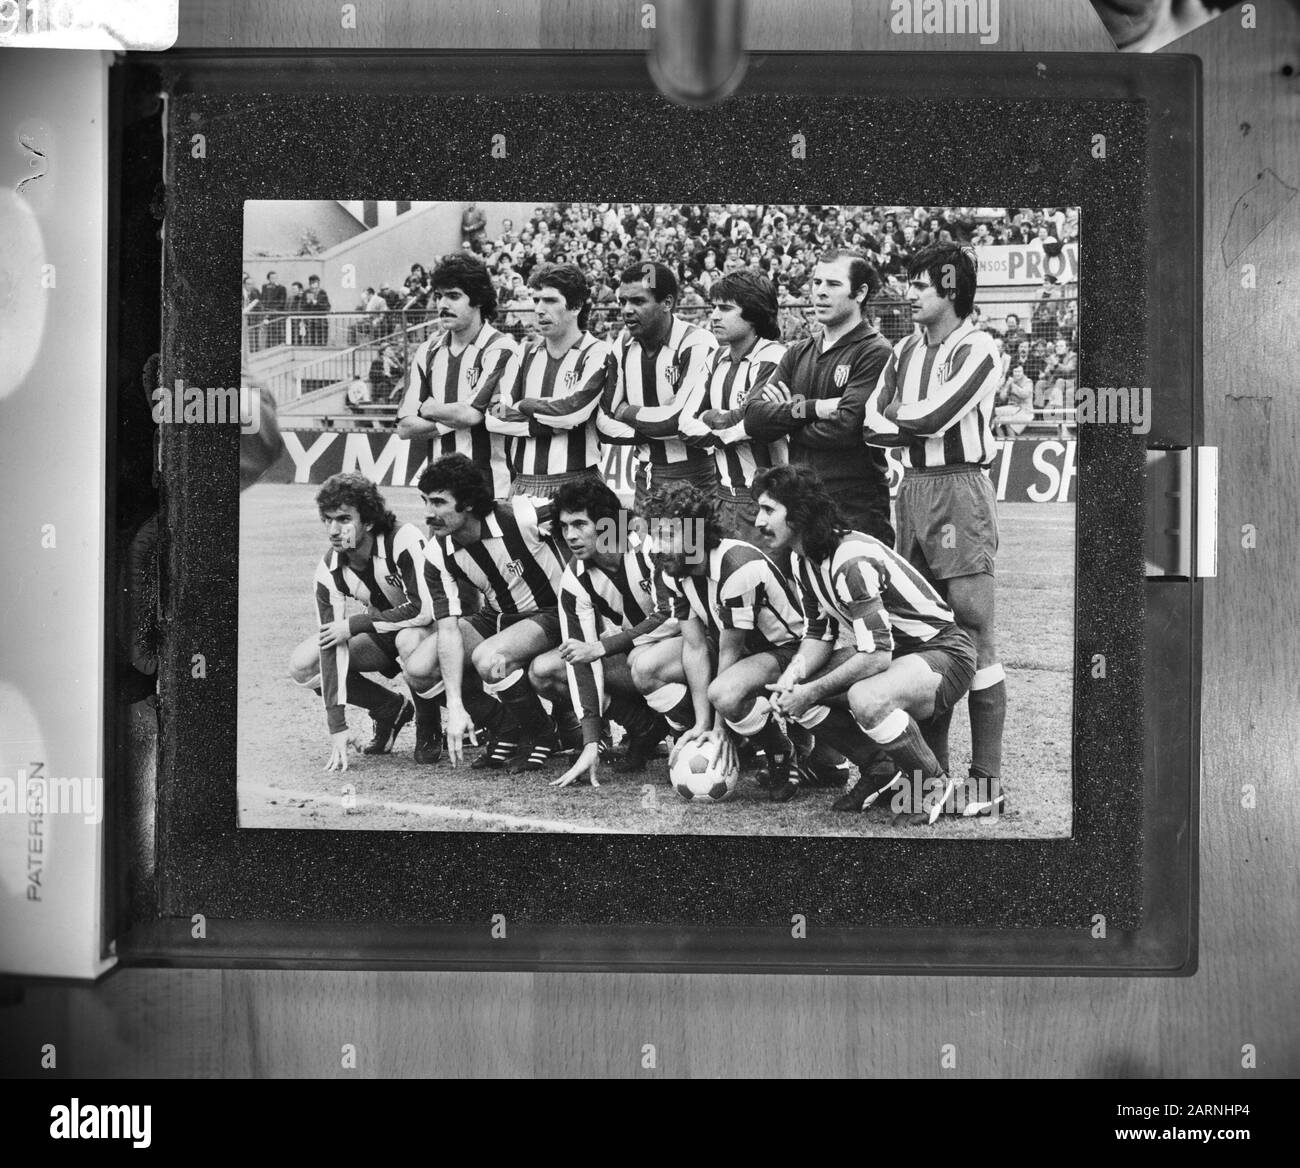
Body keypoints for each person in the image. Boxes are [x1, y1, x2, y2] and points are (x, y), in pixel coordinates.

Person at [755, 466, 986, 821]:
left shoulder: (851, 562)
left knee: (865, 698)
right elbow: (818, 635)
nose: (758, 520)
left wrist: (812, 690)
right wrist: (795, 676)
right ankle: (879, 768)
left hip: (943, 654)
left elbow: (877, 655)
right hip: (902, 656)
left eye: (769, 510)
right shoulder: (804, 561)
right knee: (794, 689)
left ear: (798, 514)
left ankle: (936, 787)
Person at [862, 242, 1007, 804]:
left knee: (973, 629)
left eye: (920, 284)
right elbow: (873, 426)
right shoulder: (903, 351)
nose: (909, 293)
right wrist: (904, 416)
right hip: (913, 491)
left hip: (959, 488)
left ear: (950, 289)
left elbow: (930, 415)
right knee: (923, 630)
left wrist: (903, 413)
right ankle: (932, 776)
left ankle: (988, 782)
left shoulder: (979, 349)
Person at [629, 482, 811, 802]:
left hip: (785, 651)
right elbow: (695, 646)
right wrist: (703, 723)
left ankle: (780, 752)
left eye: (668, 536)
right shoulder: (673, 570)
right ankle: (702, 734)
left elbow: (731, 650)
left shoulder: (736, 567)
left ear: (697, 536)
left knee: (725, 694)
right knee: (646, 668)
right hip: (732, 649)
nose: (657, 547)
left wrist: (720, 727)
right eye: (655, 535)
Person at [403, 454, 579, 771]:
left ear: (468, 502)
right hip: (498, 618)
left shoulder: (524, 515)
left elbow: (605, 514)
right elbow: (448, 631)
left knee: (490, 659)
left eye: (439, 502)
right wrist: (455, 705)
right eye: (425, 501)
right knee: (418, 669)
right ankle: (504, 723)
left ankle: (541, 734)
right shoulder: (436, 552)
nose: (428, 513)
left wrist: (621, 566)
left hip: (554, 613)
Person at [529, 479, 678, 787]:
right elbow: (581, 656)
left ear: (607, 523)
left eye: (580, 524)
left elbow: (676, 617)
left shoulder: (650, 543)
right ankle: (645, 727)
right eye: (565, 525)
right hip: (641, 657)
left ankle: (695, 729)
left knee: (642, 661)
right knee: (547, 669)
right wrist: (590, 741)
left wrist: (606, 645)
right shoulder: (574, 578)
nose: (570, 535)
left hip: (693, 648)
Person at [740, 249, 894, 545]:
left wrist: (787, 419)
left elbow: (846, 427)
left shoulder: (875, 351)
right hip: (802, 506)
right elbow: (755, 419)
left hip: (854, 507)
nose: (820, 292)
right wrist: (814, 409)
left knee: (854, 589)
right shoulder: (798, 351)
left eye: (833, 284)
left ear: (860, 292)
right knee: (805, 590)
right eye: (816, 282)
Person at [286, 474, 436, 772]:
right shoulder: (329, 570)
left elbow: (424, 610)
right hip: (384, 631)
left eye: (343, 519)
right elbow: (330, 646)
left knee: (409, 639)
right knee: (304, 664)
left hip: (431, 630)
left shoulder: (402, 539)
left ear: (367, 521)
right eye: (327, 520)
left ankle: (430, 726)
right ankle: (389, 707)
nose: (333, 530)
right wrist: (337, 725)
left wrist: (355, 624)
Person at [596, 261, 719, 514]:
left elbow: (677, 421)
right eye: (622, 302)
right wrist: (654, 428)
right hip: (645, 474)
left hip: (695, 475)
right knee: (646, 550)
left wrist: (626, 412)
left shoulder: (697, 342)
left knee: (692, 550)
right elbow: (604, 420)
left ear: (667, 303)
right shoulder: (623, 343)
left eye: (638, 301)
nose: (627, 310)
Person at [485, 263, 615, 500]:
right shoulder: (523, 353)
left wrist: (525, 404)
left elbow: (571, 412)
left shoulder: (598, 352)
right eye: (536, 300)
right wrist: (547, 424)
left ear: (575, 306)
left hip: (578, 484)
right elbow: (494, 415)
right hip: (523, 486)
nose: (539, 309)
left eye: (550, 300)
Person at [674, 270, 787, 542]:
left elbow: (755, 421)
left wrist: (712, 418)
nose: (714, 315)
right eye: (713, 307)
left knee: (769, 580)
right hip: (721, 497)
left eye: (725, 308)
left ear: (755, 312)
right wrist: (732, 424)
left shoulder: (774, 357)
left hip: (767, 499)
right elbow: (685, 425)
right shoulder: (715, 359)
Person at [395, 254, 519, 499]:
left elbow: (471, 414)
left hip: (491, 490)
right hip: (440, 495)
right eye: (439, 296)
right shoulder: (427, 351)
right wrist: (449, 419)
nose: (443, 304)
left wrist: (431, 408)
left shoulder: (501, 348)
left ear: (478, 300)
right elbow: (405, 427)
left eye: (453, 296)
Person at [993, 363, 1035, 438]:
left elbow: (1024, 394)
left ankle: (1012, 442)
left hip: (1025, 411)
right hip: (1012, 410)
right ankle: (1002, 442)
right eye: (1015, 372)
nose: (1017, 374)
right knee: (996, 420)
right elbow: (1002, 398)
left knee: (1008, 423)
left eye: (1019, 372)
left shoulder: (1028, 382)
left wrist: (1012, 385)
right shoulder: (1011, 381)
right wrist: (1006, 386)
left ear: (1023, 373)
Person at [259, 270, 287, 347]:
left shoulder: (281, 288)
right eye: (272, 278)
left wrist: (273, 311)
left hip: (276, 313)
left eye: (275, 277)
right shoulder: (265, 287)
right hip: (266, 313)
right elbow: (263, 299)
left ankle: (279, 346)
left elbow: (282, 302)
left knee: (277, 331)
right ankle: (269, 347)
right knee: (268, 332)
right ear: (268, 279)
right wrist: (265, 310)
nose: (274, 279)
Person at [301, 276, 331, 345]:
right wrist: (307, 303)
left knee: (322, 337)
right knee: (311, 338)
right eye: (312, 283)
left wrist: (317, 303)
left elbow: (327, 307)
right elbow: (302, 307)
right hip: (310, 320)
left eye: (315, 282)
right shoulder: (306, 292)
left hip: (321, 320)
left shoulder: (322, 292)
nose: (313, 285)